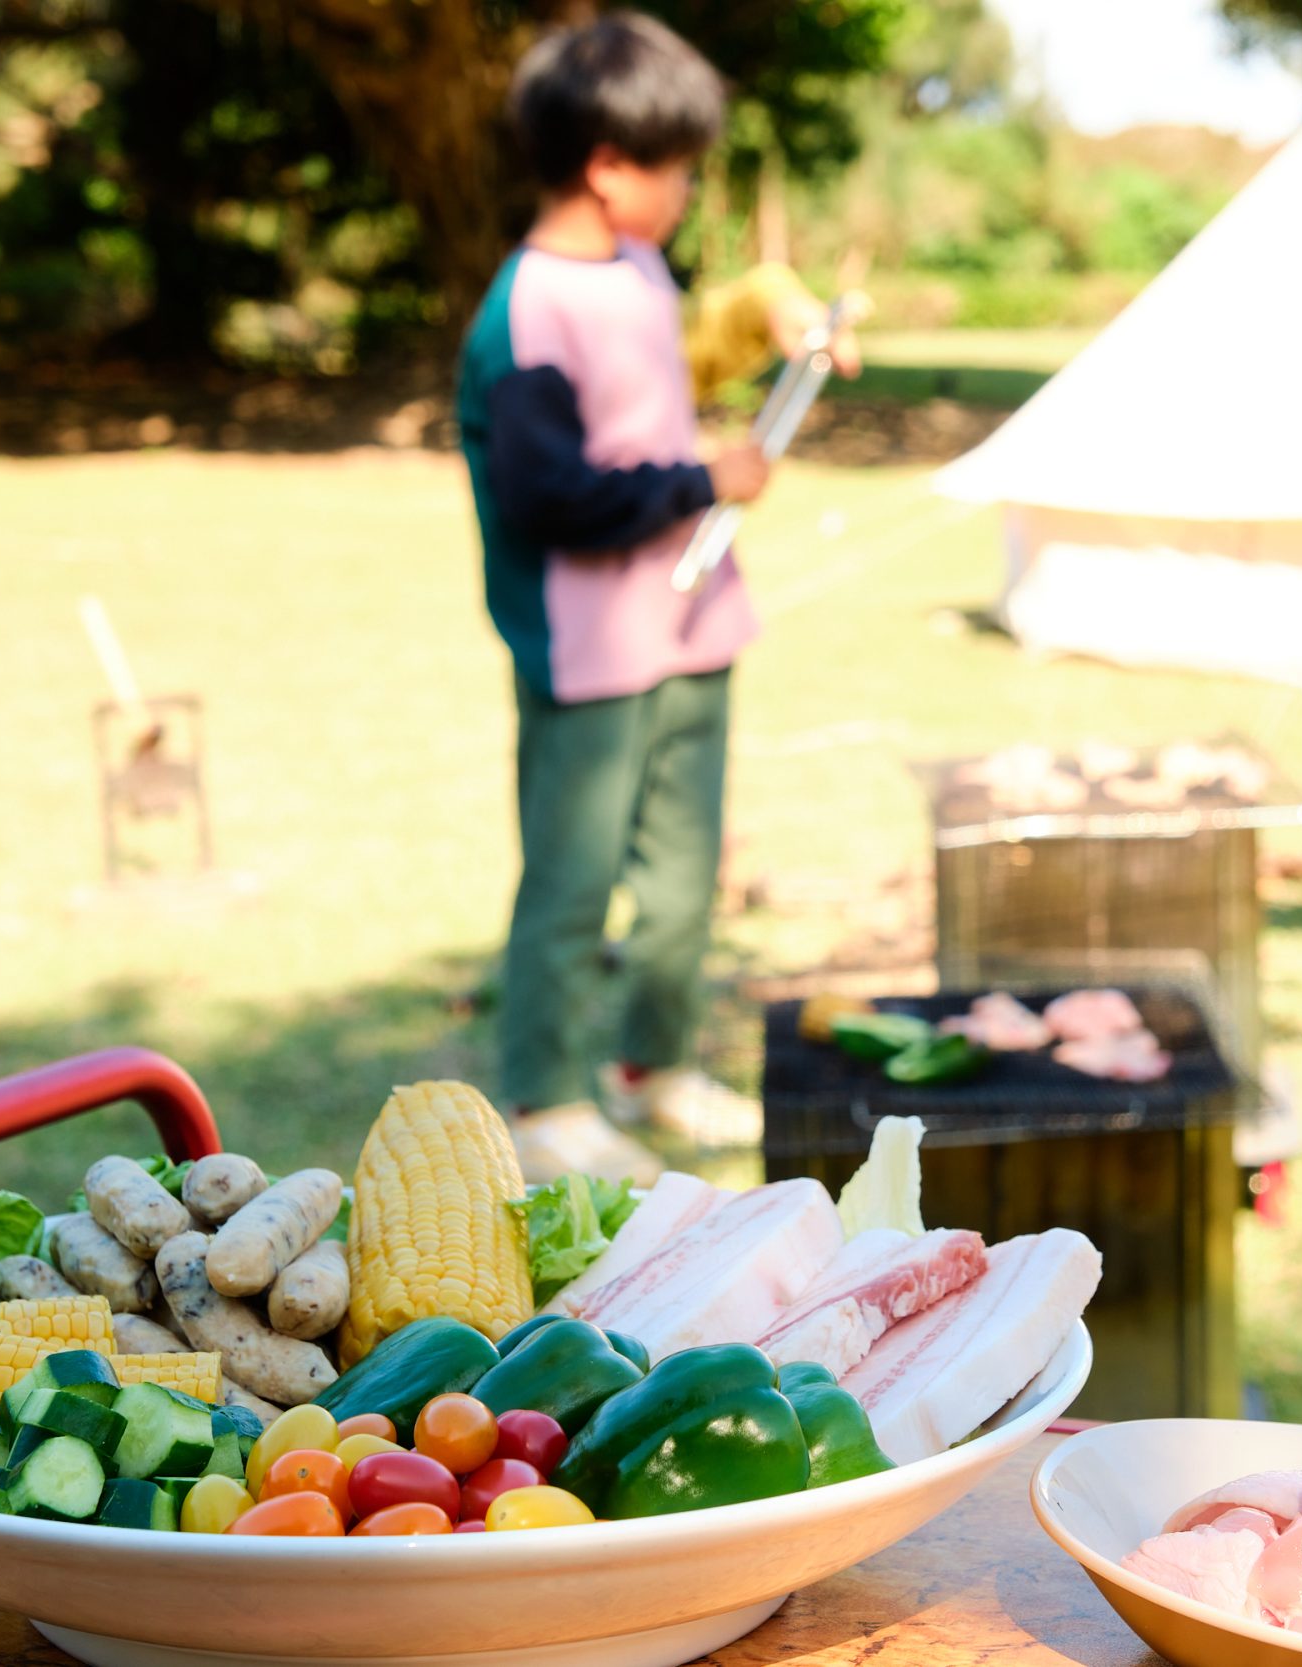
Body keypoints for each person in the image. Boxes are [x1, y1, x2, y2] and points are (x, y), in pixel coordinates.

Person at [455, 13, 852, 1182]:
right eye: (676, 167)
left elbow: (665, 366)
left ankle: (654, 1064)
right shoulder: (522, 313)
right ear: (607, 165)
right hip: (587, 647)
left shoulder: (632, 264)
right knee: (573, 881)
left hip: (693, 622)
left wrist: (774, 316)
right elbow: (550, 499)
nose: (686, 188)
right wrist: (704, 477)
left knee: (684, 874)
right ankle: (544, 1099)